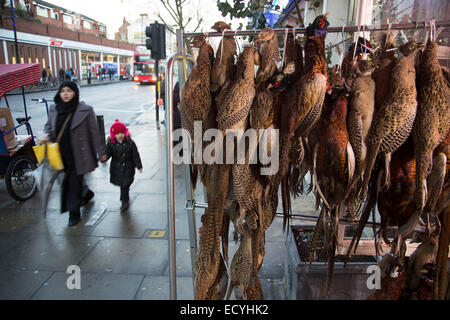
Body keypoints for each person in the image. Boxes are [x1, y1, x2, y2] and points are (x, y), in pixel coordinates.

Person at [44, 81, 107, 226]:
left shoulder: (85, 110)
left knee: (71, 182)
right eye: (63, 91)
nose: (65, 94)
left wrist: (101, 152)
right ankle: (86, 194)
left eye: (69, 91)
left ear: (75, 93)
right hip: (60, 154)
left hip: (79, 155)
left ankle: (74, 213)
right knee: (73, 181)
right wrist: (46, 136)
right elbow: (48, 127)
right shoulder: (54, 109)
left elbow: (94, 133)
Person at [104, 119, 142, 212]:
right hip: (117, 169)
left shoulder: (130, 143)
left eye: (121, 133)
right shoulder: (111, 144)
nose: (120, 135)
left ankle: (124, 201)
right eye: (117, 134)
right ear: (114, 135)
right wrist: (103, 158)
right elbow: (107, 154)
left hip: (129, 168)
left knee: (125, 185)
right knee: (123, 185)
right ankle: (125, 199)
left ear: (125, 133)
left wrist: (139, 165)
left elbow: (135, 155)